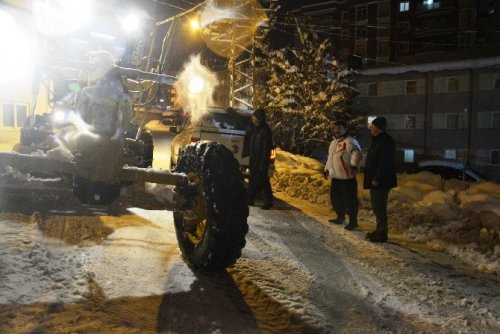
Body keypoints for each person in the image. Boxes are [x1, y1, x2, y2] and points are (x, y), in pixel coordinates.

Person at [363, 117, 397, 243]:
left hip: (382, 181)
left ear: (379, 127)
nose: (371, 128)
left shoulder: (385, 141)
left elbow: (385, 161)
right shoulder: (377, 140)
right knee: (376, 206)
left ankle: (382, 233)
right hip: (375, 180)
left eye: (373, 126)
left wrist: (377, 177)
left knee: (379, 206)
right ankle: (379, 230)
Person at [324, 120, 362, 230]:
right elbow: (330, 158)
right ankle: (340, 217)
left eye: (339, 128)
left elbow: (357, 153)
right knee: (336, 199)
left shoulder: (350, 141)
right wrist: (326, 169)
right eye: (335, 128)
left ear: (345, 129)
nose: (337, 131)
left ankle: (353, 222)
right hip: (336, 176)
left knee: (350, 201)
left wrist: (354, 165)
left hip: (347, 178)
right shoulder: (333, 143)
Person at [244, 108, 274, 209]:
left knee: (263, 180)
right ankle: (250, 199)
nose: (252, 118)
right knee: (253, 179)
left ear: (259, 118)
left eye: (254, 116)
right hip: (254, 158)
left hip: (261, 159)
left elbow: (266, 148)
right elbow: (247, 127)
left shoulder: (265, 130)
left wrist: (262, 163)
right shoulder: (255, 128)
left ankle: (269, 200)